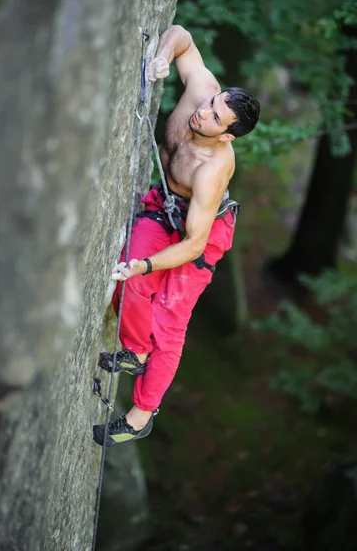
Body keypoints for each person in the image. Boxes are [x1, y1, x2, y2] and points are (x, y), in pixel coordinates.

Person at [93, 25, 260, 446]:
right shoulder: (203, 91)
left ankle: (139, 415)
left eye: (215, 117)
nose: (203, 112)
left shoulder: (212, 169)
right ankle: (135, 350)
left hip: (202, 231)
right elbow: (182, 35)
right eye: (210, 104)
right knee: (126, 277)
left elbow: (194, 244)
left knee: (169, 318)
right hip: (164, 208)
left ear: (226, 135)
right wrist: (163, 57)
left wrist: (150, 264)